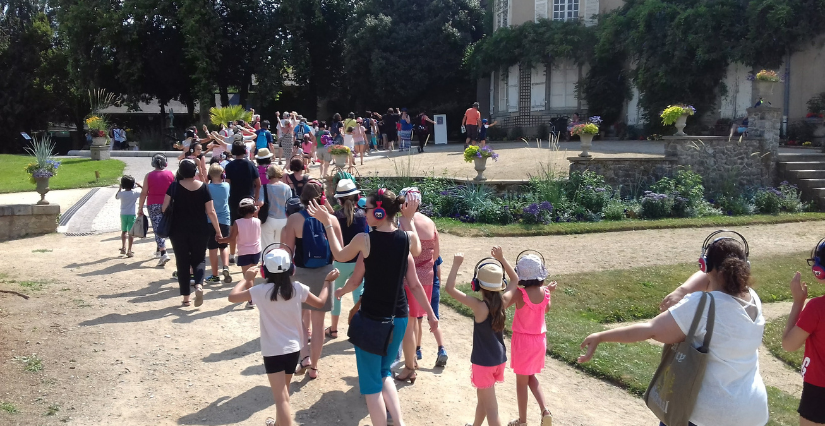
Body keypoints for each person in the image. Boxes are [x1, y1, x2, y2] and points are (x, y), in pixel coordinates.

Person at [581, 232, 769, 426]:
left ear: (704, 265)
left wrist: (601, 336)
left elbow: (651, 329)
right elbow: (711, 279)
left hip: (708, 416)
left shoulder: (702, 304)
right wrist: (682, 291)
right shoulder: (753, 298)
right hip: (753, 412)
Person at [306, 188, 435, 426]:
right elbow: (415, 271)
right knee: (384, 373)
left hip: (373, 321)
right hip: (399, 318)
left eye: (366, 209)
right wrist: (408, 218)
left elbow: (339, 254)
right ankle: (399, 422)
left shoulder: (365, 240)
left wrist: (328, 223)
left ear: (378, 211)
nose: (362, 212)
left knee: (371, 386)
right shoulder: (407, 240)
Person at [228, 249, 338, 426]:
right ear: (291, 269)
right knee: (284, 394)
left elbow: (232, 297)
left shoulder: (260, 290)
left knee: (281, 400)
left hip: (272, 351)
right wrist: (326, 282)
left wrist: (246, 278)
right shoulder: (298, 289)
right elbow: (320, 302)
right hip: (294, 349)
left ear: (264, 271)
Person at [445, 248, 519, 426]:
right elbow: (515, 279)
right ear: (500, 284)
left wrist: (456, 264)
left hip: (483, 363)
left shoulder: (479, 306)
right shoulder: (504, 302)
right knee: (483, 400)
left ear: (476, 285)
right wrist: (501, 258)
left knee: (492, 408)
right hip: (498, 360)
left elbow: (449, 289)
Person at [281, 181, 335, 380]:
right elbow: (338, 250)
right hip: (325, 274)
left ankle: (304, 357)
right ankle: (315, 367)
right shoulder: (330, 219)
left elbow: (288, 251)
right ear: (321, 196)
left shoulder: (294, 219)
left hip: (301, 272)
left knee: (301, 319)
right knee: (319, 324)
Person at [163, 159, 223, 307]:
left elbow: (164, 208)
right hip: (200, 229)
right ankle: (199, 285)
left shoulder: (174, 186)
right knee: (199, 259)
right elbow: (211, 211)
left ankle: (186, 298)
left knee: (182, 262)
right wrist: (218, 231)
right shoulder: (203, 187)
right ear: (195, 171)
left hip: (178, 230)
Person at [396, 187, 440, 381]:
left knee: (409, 322)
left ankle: (410, 364)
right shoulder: (430, 222)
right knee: (415, 320)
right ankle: (413, 359)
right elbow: (436, 255)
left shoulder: (401, 223)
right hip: (427, 276)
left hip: (408, 276)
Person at [507, 252, 555, 426]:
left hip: (522, 342)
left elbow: (503, 303)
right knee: (531, 377)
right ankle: (545, 411)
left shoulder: (520, 294)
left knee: (521, 382)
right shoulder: (545, 292)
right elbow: (546, 309)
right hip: (540, 341)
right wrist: (549, 290)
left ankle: (522, 420)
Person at [781, 239, 825, 426]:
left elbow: (789, 345)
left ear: (819, 270)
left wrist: (798, 302)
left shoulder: (816, 308)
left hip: (819, 390)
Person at [324, 179, 369, 339]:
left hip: (339, 263)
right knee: (359, 295)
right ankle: (360, 329)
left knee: (337, 295)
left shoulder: (335, 217)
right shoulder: (364, 215)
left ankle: (334, 329)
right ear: (357, 197)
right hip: (359, 263)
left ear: (339, 199)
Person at [218, 198, 262, 308]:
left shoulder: (237, 222)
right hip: (256, 251)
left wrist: (221, 240)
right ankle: (250, 295)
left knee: (247, 276)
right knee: (252, 276)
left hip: (244, 252)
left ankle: (251, 299)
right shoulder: (258, 221)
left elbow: (232, 238)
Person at [224, 141, 262, 265]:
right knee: (251, 226)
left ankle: (232, 254)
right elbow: (258, 183)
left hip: (234, 200)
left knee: (233, 228)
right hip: (249, 199)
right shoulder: (250, 165)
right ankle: (251, 251)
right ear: (245, 151)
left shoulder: (229, 166)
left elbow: (228, 184)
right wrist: (255, 198)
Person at [137, 154, 175, 266]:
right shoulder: (170, 174)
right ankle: (160, 250)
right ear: (165, 163)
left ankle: (163, 252)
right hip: (167, 203)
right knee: (167, 226)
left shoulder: (148, 175)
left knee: (157, 227)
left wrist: (140, 207)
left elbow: (144, 193)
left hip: (153, 204)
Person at [206, 163, 232, 284]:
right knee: (224, 246)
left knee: (212, 248)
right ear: (222, 174)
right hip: (225, 219)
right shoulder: (226, 186)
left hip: (210, 221)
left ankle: (215, 275)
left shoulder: (207, 188)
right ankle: (225, 266)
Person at [259, 165, 291, 252]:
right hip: (283, 219)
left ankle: (266, 264)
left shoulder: (264, 187)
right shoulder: (286, 187)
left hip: (268, 219)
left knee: (266, 245)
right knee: (279, 246)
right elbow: (289, 203)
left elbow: (260, 203)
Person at [116, 175, 141, 258]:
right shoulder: (135, 193)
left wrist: (120, 188)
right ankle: (129, 250)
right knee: (131, 233)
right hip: (132, 214)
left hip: (123, 214)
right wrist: (139, 185)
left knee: (123, 231)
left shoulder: (121, 194)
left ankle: (123, 247)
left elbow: (116, 196)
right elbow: (145, 192)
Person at [430, 255, 448, 366]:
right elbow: (438, 275)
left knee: (416, 320)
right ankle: (442, 349)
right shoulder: (435, 254)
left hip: (419, 287)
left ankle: (416, 351)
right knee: (434, 319)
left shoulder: (415, 252)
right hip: (434, 288)